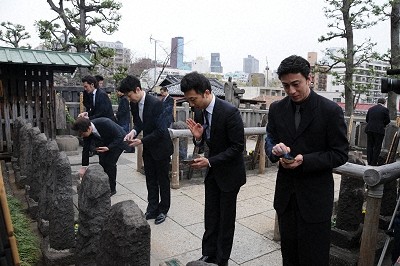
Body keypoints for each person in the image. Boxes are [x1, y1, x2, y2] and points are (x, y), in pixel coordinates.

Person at [265, 55, 349, 266]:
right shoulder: (276, 108)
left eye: (296, 84)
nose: (291, 91)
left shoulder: (330, 111)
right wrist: (275, 151)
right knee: (289, 256)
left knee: (315, 257)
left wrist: (306, 160)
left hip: (315, 197)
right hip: (286, 196)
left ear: (309, 78)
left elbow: (340, 153)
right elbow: (270, 140)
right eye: (286, 86)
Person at [180, 71, 246, 266]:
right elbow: (204, 142)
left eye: (193, 99)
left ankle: (221, 259)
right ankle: (208, 255)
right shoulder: (199, 112)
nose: (191, 104)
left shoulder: (229, 112)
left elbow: (237, 148)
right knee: (210, 216)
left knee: (225, 221)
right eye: (188, 100)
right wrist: (199, 137)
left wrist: (209, 161)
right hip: (213, 174)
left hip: (230, 175)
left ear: (207, 92)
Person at [118, 75, 173, 225]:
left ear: (137, 89)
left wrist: (141, 140)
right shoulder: (134, 104)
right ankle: (152, 207)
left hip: (161, 147)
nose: (130, 99)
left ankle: (163, 209)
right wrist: (133, 132)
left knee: (163, 180)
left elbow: (161, 130)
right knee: (150, 179)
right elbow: (138, 123)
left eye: (130, 95)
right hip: (148, 147)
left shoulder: (156, 103)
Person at [72, 117, 126, 196]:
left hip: (118, 142)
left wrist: (109, 147)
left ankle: (112, 189)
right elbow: (85, 149)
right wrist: (84, 166)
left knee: (109, 163)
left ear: (89, 128)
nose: (82, 136)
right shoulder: (87, 132)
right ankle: (104, 185)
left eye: (83, 134)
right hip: (105, 143)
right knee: (102, 163)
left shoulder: (105, 122)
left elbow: (120, 136)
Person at [365, 97, 390, 166]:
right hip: (379, 130)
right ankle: (374, 162)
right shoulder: (385, 110)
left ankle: (369, 161)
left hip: (369, 129)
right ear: (384, 103)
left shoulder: (371, 109)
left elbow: (367, 119)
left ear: (377, 102)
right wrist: (382, 124)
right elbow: (388, 120)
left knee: (370, 145)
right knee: (377, 146)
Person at [115, 88, 135, 153]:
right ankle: (130, 148)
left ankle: (130, 148)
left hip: (124, 120)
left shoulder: (124, 100)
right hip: (124, 119)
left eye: (118, 91)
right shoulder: (123, 99)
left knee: (126, 134)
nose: (117, 93)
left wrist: (117, 114)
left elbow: (123, 110)